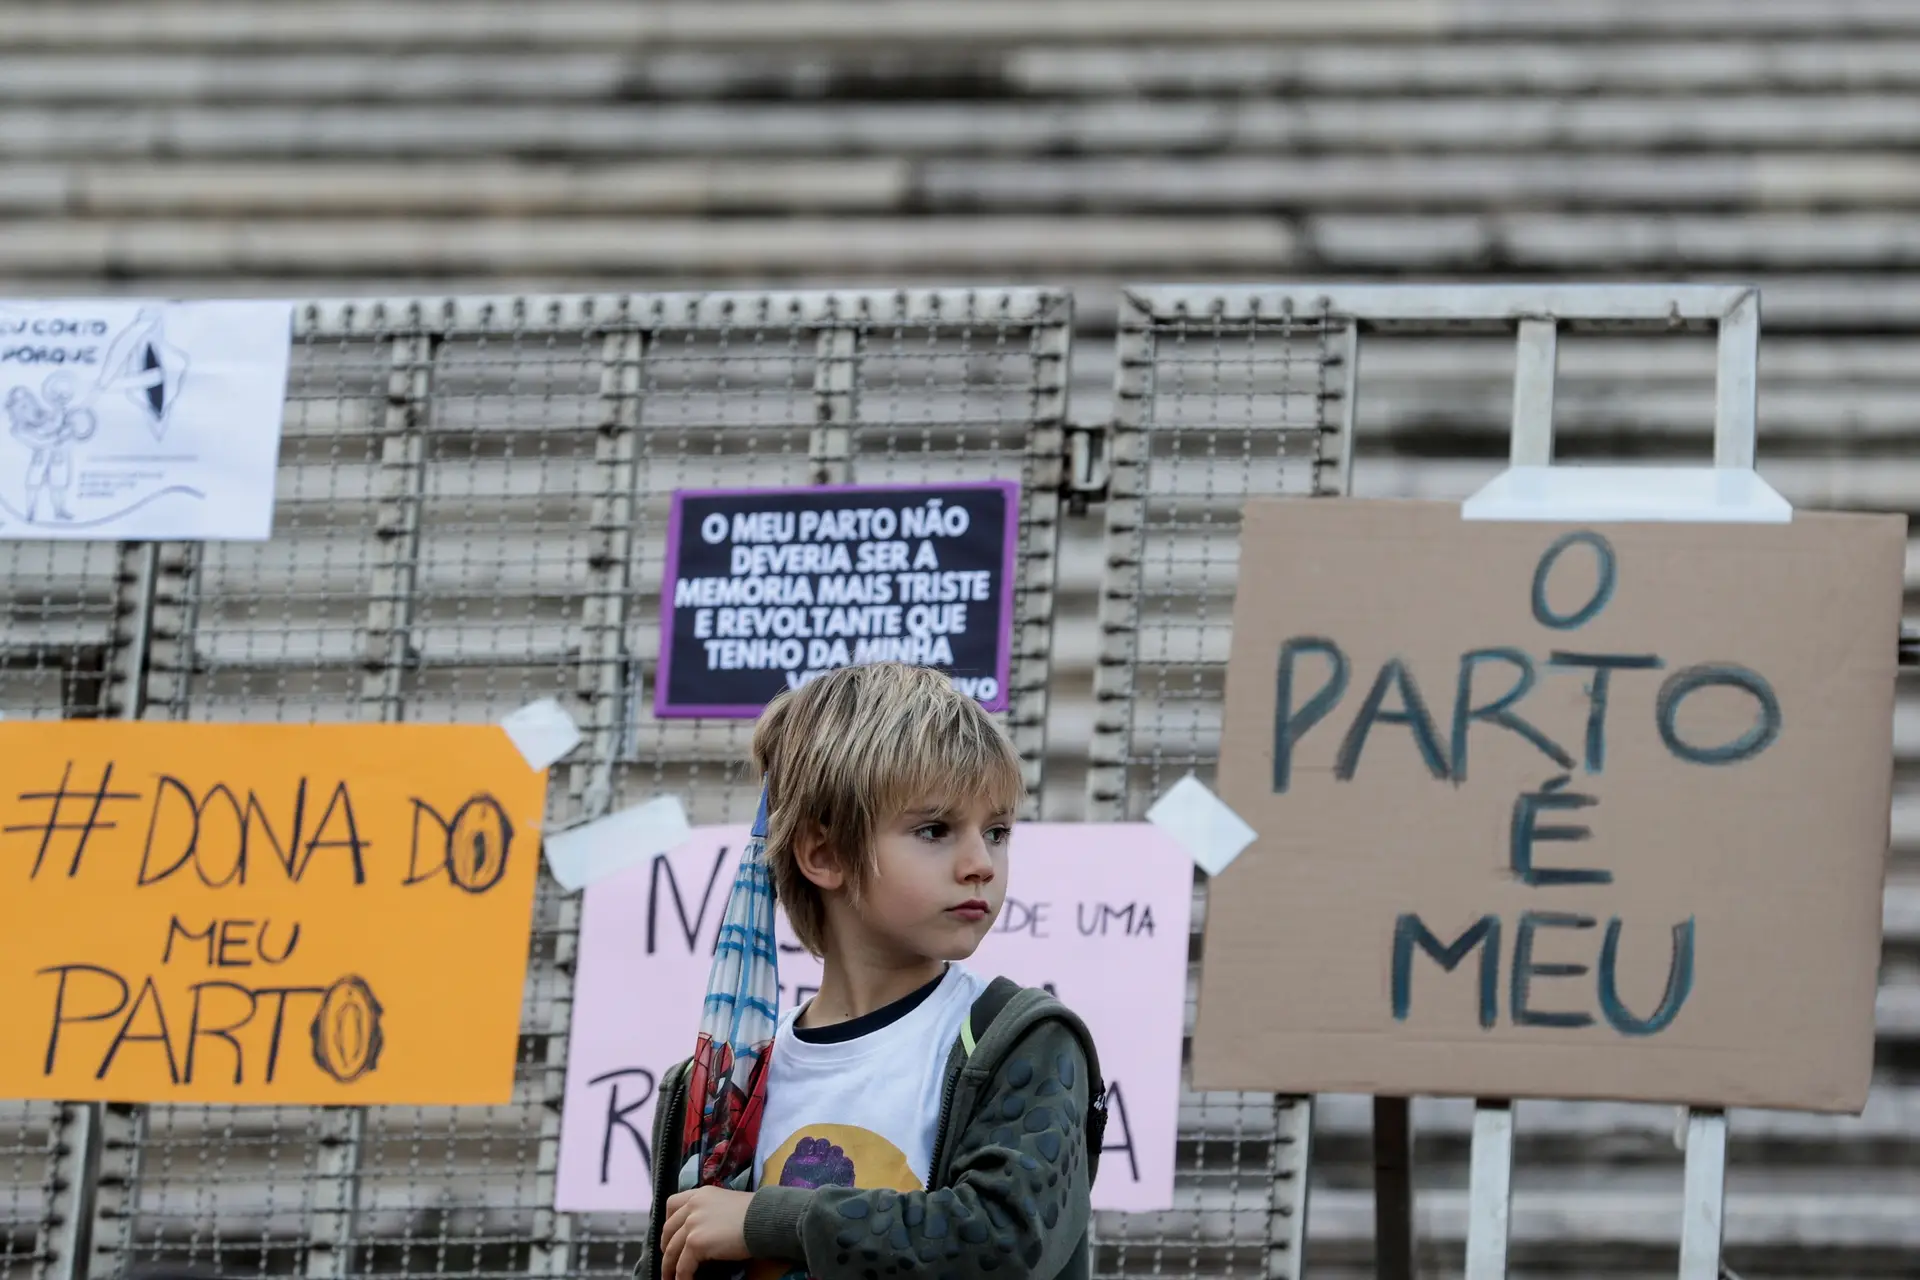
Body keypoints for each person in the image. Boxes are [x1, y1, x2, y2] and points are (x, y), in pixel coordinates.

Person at [639, 662, 1102, 1280]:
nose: (980, 863)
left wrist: (763, 1221)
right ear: (823, 853)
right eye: (934, 829)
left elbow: (1004, 1242)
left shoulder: (1015, 1040)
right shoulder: (723, 1087)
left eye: (996, 831)